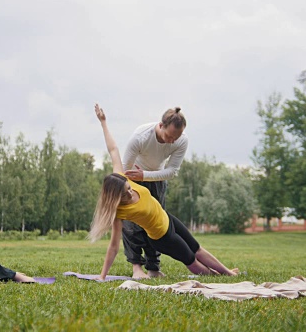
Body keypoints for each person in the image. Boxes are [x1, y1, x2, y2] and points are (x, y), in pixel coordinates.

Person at [89, 104, 238, 280]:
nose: (130, 193)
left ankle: (227, 273)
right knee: (191, 261)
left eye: (129, 188)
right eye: (125, 195)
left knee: (197, 248)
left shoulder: (124, 178)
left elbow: (113, 149)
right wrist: (102, 276)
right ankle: (215, 277)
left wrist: (103, 122)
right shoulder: (118, 212)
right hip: (161, 236)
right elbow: (113, 246)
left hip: (167, 219)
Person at [121, 107, 188, 279]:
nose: (172, 141)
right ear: (161, 125)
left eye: (176, 137)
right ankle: (137, 268)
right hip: (133, 180)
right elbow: (123, 168)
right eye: (169, 136)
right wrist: (129, 186)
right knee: (132, 226)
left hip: (156, 180)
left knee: (155, 224)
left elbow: (172, 171)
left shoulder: (181, 141)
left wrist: (146, 175)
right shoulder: (140, 136)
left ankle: (153, 268)